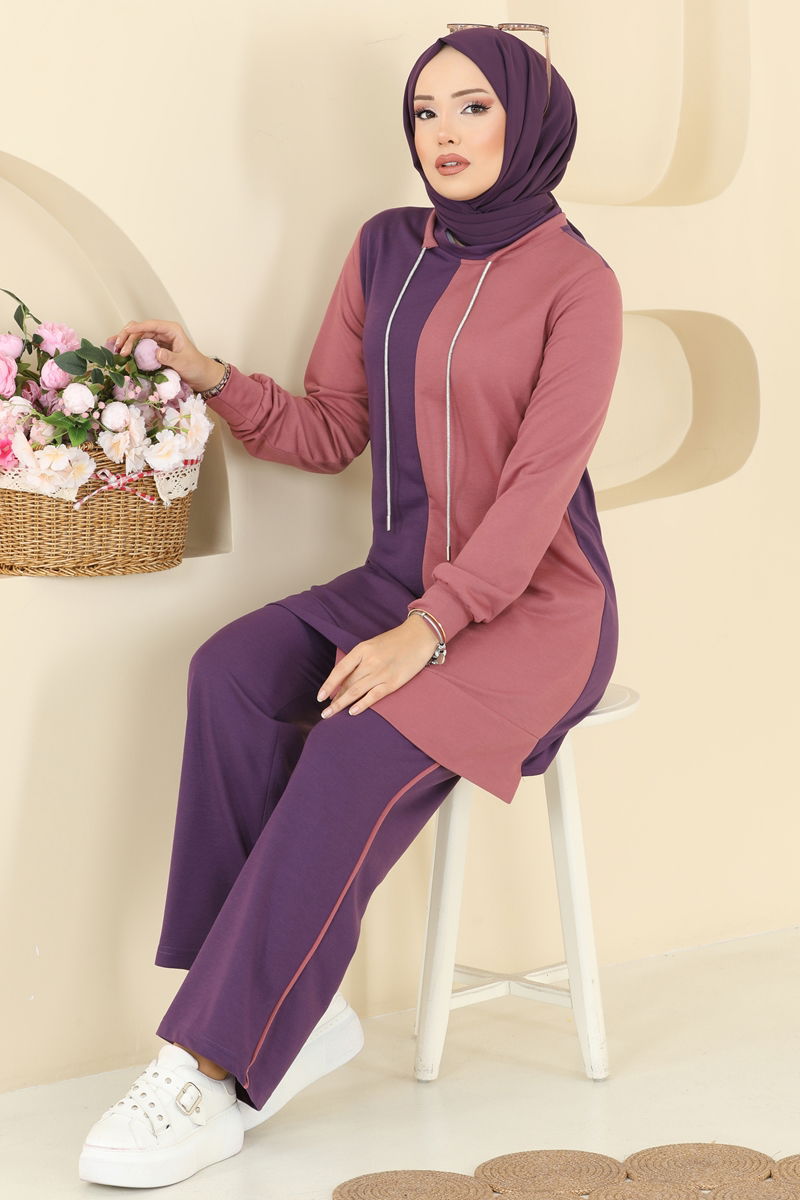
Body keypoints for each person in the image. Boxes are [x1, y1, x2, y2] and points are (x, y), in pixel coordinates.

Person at [78, 25, 624, 1189]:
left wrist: (426, 634)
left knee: (350, 745)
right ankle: (284, 1010)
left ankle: (207, 1065)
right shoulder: (386, 248)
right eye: (424, 112)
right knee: (229, 673)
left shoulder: (579, 285)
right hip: (397, 578)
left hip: (532, 608)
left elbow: (534, 498)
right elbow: (331, 432)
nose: (443, 134)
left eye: (472, 107)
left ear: (526, 119)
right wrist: (212, 376)